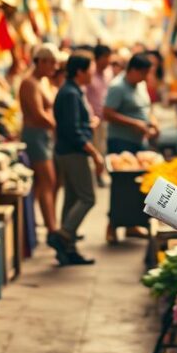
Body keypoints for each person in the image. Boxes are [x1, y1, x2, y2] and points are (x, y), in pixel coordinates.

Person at [49, 52, 106, 265]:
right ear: (80, 71)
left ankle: (68, 250)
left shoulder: (71, 91)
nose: (92, 74)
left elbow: (71, 125)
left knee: (72, 199)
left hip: (66, 151)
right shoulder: (71, 93)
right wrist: (95, 153)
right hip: (74, 153)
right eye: (90, 70)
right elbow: (72, 132)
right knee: (87, 198)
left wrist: (87, 124)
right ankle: (63, 235)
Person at [19, 44, 60, 235]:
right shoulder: (29, 83)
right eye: (51, 63)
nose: (55, 67)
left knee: (46, 182)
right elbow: (37, 115)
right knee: (47, 181)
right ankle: (52, 229)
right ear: (41, 62)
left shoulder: (40, 82)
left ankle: (42, 225)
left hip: (42, 136)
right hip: (35, 136)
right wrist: (58, 125)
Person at [104, 53, 158, 154]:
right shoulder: (117, 86)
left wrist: (153, 121)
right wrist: (134, 123)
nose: (146, 77)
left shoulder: (141, 84)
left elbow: (145, 107)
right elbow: (107, 114)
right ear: (133, 70)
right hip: (121, 141)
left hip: (140, 140)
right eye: (144, 73)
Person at [87, 45, 113, 183]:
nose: (108, 61)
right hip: (94, 119)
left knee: (102, 148)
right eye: (105, 58)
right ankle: (97, 176)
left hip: (105, 118)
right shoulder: (89, 73)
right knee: (96, 149)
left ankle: (100, 174)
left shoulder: (108, 73)